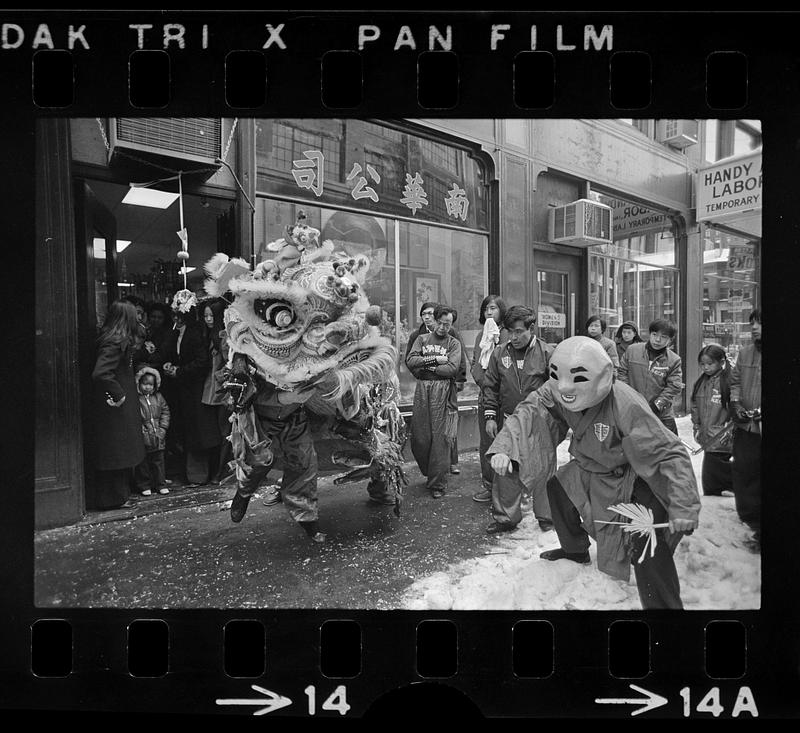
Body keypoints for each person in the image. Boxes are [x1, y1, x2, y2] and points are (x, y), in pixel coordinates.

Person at [487, 336, 701, 610]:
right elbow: (528, 413)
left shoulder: (625, 402)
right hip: (590, 467)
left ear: (605, 375)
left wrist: (684, 506)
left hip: (632, 476)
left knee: (646, 537)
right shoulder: (556, 390)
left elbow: (668, 453)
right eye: (556, 376)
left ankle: (665, 609)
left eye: (577, 378)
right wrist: (506, 448)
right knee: (558, 487)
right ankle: (574, 550)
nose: (565, 387)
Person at [227, 360, 325, 543]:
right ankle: (244, 493)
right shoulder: (247, 344)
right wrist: (282, 398)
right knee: (257, 461)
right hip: (260, 417)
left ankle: (307, 518)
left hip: (295, 415)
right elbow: (240, 392)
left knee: (304, 463)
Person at [480, 305, 555, 534]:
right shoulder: (499, 353)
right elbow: (490, 387)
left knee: (543, 467)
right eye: (510, 331)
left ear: (532, 329)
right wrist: (490, 416)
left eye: (520, 331)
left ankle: (547, 516)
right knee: (505, 466)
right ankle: (506, 518)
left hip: (539, 421)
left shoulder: (547, 353)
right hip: (509, 419)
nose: (514, 337)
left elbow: (557, 386)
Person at [88, 300, 146, 510]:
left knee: (117, 452)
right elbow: (101, 373)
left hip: (115, 405)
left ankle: (117, 497)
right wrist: (119, 394)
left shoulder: (112, 339)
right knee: (117, 452)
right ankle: (114, 499)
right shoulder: (115, 342)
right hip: (115, 406)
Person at [160, 299, 220, 486]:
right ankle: (194, 474)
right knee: (191, 431)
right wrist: (170, 365)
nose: (175, 318)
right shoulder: (177, 333)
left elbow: (202, 362)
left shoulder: (194, 334)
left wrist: (180, 371)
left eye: (177, 315)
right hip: (184, 391)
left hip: (195, 390)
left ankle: (199, 476)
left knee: (198, 433)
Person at [406, 304, 462, 499]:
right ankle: (429, 473)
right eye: (440, 322)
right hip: (422, 390)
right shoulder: (421, 339)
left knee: (440, 438)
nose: (442, 327)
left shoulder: (454, 343)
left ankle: (438, 482)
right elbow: (411, 361)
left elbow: (452, 369)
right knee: (420, 436)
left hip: (443, 390)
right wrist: (437, 360)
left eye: (447, 324)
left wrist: (427, 364)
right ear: (434, 320)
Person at [729, 309, 761, 550]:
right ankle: (750, 516)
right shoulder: (745, 352)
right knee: (745, 469)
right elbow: (736, 381)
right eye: (753, 323)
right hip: (747, 426)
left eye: (760, 323)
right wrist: (736, 403)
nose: (755, 327)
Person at [470, 294, 508, 503]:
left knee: (507, 442)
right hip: (485, 395)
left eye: (493, 308)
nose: (489, 312)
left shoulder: (508, 335)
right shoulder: (479, 337)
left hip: (507, 397)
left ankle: (508, 489)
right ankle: (490, 485)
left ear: (502, 310)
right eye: (486, 309)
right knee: (487, 442)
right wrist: (484, 383)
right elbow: (476, 363)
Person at [618, 318, 683, 435]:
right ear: (650, 334)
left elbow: (674, 386)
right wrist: (630, 399)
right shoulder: (632, 350)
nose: (657, 340)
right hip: (632, 411)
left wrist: (656, 405)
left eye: (663, 337)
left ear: (670, 340)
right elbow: (622, 373)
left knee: (669, 449)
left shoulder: (674, 360)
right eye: (654, 334)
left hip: (661, 415)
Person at [690, 345, 733, 497]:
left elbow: (736, 407)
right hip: (706, 435)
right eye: (702, 364)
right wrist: (696, 426)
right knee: (710, 478)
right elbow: (694, 404)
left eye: (710, 363)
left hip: (722, 435)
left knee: (715, 471)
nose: (706, 367)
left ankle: (730, 489)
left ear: (721, 362)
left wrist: (730, 430)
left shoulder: (729, 381)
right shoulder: (701, 383)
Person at [200, 299, 232, 484]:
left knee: (224, 433)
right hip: (211, 389)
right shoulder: (209, 334)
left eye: (211, 315)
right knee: (218, 433)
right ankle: (217, 471)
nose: (208, 319)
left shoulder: (224, 336)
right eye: (205, 315)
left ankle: (221, 472)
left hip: (223, 390)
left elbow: (230, 363)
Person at [133, 366, 171, 496]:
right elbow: (135, 417)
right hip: (143, 437)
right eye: (145, 384)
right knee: (142, 463)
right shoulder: (136, 399)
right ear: (139, 383)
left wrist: (163, 428)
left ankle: (160, 484)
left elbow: (165, 412)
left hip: (158, 436)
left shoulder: (159, 397)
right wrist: (142, 432)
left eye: (151, 384)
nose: (148, 387)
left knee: (159, 462)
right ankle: (144, 485)